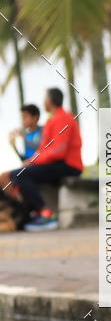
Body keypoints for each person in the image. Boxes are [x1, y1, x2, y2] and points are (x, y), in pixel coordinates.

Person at [2, 88, 83, 231]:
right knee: (16, 174)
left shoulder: (63, 117)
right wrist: (30, 161)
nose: (43, 102)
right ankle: (30, 213)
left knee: (19, 174)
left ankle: (46, 214)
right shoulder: (53, 119)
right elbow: (44, 150)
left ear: (49, 101)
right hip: (58, 163)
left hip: (69, 165)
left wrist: (32, 162)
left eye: (44, 98)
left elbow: (58, 151)